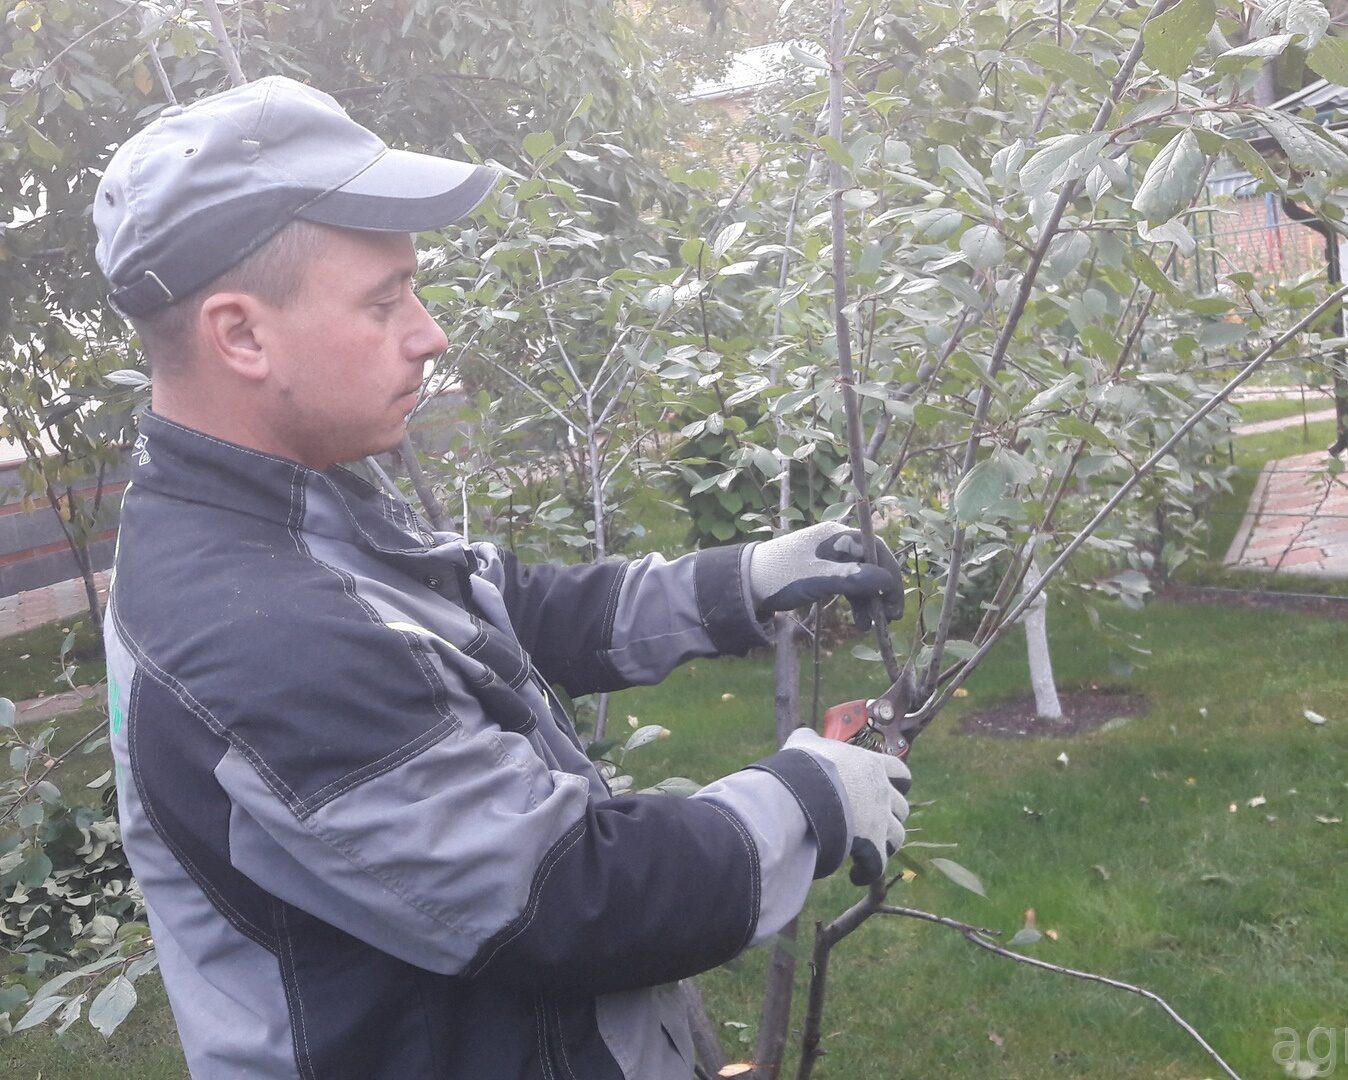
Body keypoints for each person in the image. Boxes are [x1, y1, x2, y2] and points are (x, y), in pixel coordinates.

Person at [94, 76, 911, 1080]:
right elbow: (563, 897)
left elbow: (488, 608)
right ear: (241, 334)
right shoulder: (258, 639)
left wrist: (732, 582)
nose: (429, 332)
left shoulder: (283, 508)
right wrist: (813, 799)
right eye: (385, 301)